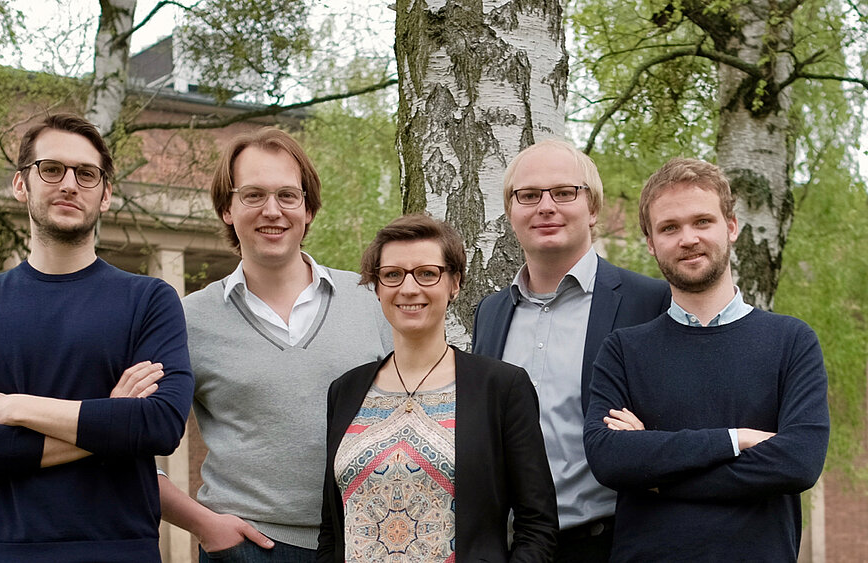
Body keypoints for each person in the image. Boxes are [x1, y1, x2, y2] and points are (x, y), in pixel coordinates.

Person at [0, 113, 194, 562]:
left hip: (125, 551)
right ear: (21, 184)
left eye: (86, 174)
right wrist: (114, 420)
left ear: (105, 195)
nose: (69, 184)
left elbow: (161, 426)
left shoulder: (149, 299)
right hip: (11, 552)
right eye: (52, 169)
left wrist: (17, 407)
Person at [160, 127, 392, 562]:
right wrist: (202, 523)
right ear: (227, 208)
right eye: (253, 195)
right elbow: (130, 441)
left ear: (308, 209)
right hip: (247, 548)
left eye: (288, 195)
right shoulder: (188, 319)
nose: (273, 211)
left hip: (368, 541)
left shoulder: (371, 300)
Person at [583, 157, 830, 561]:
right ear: (650, 242)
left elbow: (798, 463)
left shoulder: (792, 341)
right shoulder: (623, 350)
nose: (688, 238)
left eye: (702, 222)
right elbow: (609, 459)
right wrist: (737, 440)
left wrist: (655, 470)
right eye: (669, 227)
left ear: (731, 227)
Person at [471, 139, 669, 561]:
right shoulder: (490, 313)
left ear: (593, 208)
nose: (546, 206)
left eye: (564, 192)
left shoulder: (649, 302)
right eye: (528, 195)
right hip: (511, 548)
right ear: (511, 213)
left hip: (609, 543)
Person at [319, 214, 559, 562]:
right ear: (378, 287)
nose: (409, 288)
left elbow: (537, 526)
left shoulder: (502, 388)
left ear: (455, 283)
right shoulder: (345, 390)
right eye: (392, 275)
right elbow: (331, 528)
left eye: (427, 273)